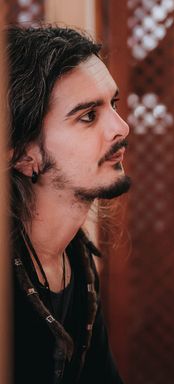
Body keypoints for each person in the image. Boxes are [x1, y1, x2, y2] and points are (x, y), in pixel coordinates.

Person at [8, 25, 130, 383]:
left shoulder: (76, 258)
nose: (121, 127)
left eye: (114, 105)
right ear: (23, 155)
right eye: (88, 116)